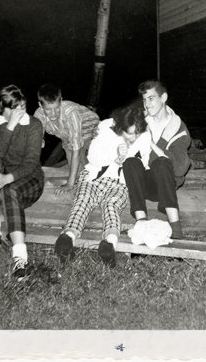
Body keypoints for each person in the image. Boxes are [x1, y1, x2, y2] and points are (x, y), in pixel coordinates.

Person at [54, 104, 151, 268]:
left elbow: (144, 163)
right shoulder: (105, 128)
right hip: (94, 175)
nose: (133, 138)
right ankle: (67, 238)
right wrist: (115, 155)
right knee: (83, 201)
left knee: (112, 205)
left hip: (120, 181)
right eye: (130, 134)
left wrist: (127, 159)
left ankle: (109, 244)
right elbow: (92, 157)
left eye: (137, 134)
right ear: (120, 127)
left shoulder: (145, 135)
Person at [0, 85, 44, 279]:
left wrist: (6, 179)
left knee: (10, 190)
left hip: (29, 179)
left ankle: (20, 257)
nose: (21, 112)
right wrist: (9, 127)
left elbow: (31, 162)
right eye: (15, 107)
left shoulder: (34, 124)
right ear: (3, 108)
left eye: (23, 106)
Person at [122, 79, 191, 239]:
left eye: (151, 99)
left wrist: (150, 142)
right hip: (144, 183)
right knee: (130, 162)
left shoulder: (178, 129)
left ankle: (176, 229)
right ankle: (142, 225)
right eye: (144, 100)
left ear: (164, 97)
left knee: (161, 162)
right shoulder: (141, 121)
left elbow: (180, 168)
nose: (146, 104)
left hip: (166, 183)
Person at [34, 83, 99, 196]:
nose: (53, 113)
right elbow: (36, 142)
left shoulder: (71, 113)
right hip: (67, 135)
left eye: (57, 108)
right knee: (79, 166)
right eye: (48, 109)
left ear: (61, 101)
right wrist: (39, 141)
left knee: (77, 157)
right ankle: (88, 179)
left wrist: (70, 184)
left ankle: (91, 186)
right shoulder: (38, 114)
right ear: (40, 105)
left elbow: (76, 151)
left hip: (90, 128)